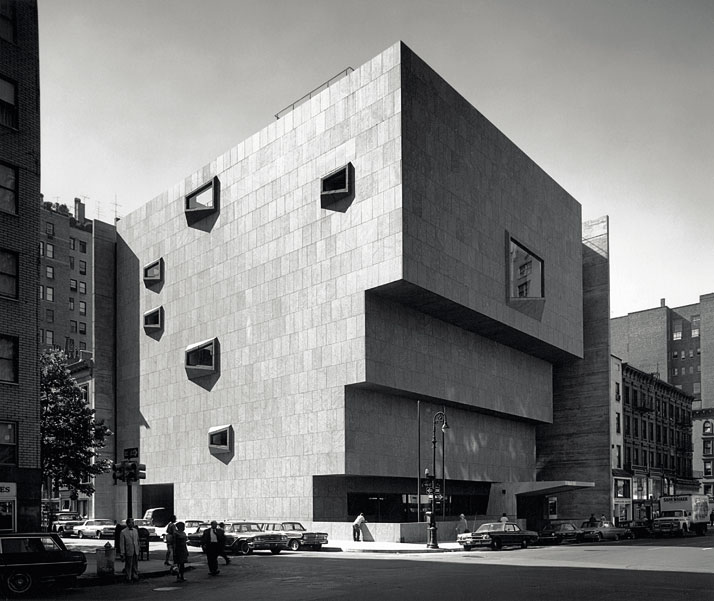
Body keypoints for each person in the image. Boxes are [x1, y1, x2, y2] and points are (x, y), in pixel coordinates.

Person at [119, 517, 140, 583]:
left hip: (135, 549)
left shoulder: (135, 530)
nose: (133, 523)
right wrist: (122, 552)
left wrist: (138, 548)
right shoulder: (123, 532)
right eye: (131, 522)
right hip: (128, 550)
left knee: (135, 564)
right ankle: (129, 577)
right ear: (128, 523)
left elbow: (137, 540)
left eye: (133, 522)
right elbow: (122, 543)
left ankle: (135, 576)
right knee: (129, 564)